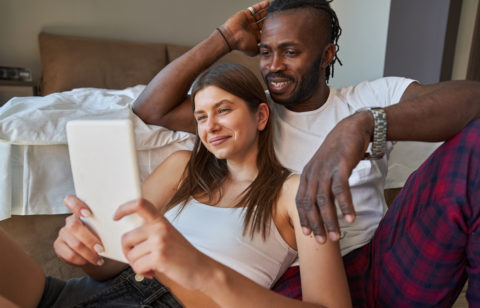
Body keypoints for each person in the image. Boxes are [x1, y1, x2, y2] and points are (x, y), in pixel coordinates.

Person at [132, 0, 480, 306]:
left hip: (382, 261)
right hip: (296, 278)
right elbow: (151, 109)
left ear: (327, 55)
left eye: (290, 52)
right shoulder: (251, 117)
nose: (273, 66)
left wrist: (361, 125)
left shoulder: (367, 98)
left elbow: (471, 100)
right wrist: (225, 37)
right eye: (266, 51)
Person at [0, 63, 351, 307]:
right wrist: (85, 250)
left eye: (223, 110)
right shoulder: (182, 167)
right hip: (90, 292)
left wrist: (198, 267)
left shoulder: (294, 192)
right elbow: (108, 264)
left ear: (260, 116)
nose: (210, 126)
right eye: (201, 117)